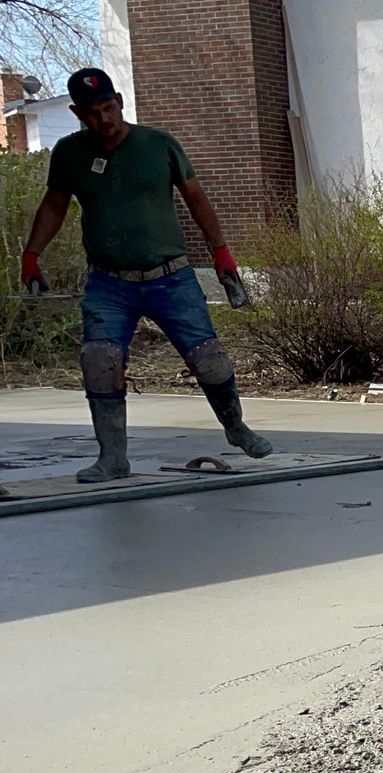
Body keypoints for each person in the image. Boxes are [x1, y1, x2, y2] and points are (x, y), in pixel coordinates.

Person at [20, 68, 272, 484]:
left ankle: (236, 427)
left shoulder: (159, 145)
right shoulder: (69, 153)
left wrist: (222, 254)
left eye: (109, 108)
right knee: (100, 360)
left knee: (209, 360)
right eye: (93, 113)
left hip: (170, 277)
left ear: (119, 102)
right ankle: (113, 457)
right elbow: (54, 205)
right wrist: (32, 255)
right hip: (109, 282)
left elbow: (196, 198)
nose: (104, 120)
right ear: (77, 113)